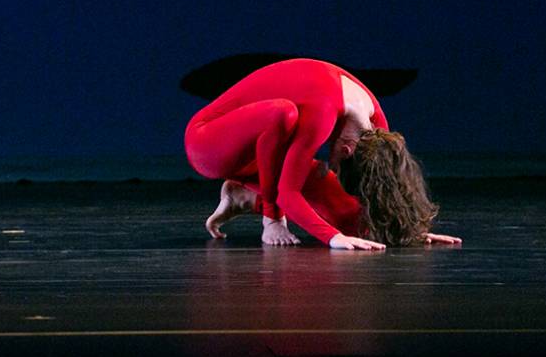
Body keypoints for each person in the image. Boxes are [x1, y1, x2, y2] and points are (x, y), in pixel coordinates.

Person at [184, 57, 462, 250]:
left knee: (336, 202)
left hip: (260, 149)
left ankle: (244, 195)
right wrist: (328, 237)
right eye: (337, 167)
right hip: (208, 144)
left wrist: (405, 232)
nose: (331, 167)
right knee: (283, 114)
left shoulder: (377, 130)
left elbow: (380, 191)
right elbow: (288, 194)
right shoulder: (324, 113)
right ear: (346, 150)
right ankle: (266, 212)